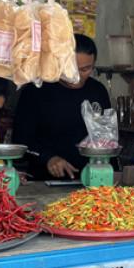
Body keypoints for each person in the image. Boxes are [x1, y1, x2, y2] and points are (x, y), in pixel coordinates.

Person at [13, 34, 111, 180]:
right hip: (44, 182)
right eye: (71, 69)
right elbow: (21, 140)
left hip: (92, 180)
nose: (77, 76)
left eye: (85, 69)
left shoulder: (98, 91)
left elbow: (106, 136)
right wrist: (48, 158)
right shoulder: (36, 91)